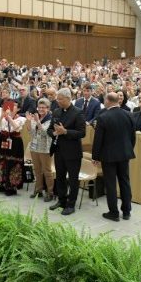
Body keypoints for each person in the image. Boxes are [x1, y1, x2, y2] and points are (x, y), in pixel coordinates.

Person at [92, 93, 136, 221]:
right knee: (125, 182)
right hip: (124, 154)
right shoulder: (129, 114)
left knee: (110, 184)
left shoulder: (103, 117)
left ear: (108, 101)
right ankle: (126, 211)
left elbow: (98, 139)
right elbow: (132, 136)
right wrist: (128, 149)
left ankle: (114, 212)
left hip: (108, 156)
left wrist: (95, 157)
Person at [47, 88, 86, 216]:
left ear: (68, 98)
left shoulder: (78, 112)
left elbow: (82, 133)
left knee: (73, 179)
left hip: (72, 152)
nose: (58, 101)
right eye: (57, 99)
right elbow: (49, 129)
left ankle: (71, 204)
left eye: (60, 99)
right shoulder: (57, 111)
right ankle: (61, 200)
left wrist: (65, 132)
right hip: (58, 150)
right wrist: (54, 133)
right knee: (60, 177)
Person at [25, 98, 55, 201]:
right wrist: (29, 120)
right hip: (34, 147)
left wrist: (38, 121)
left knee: (47, 171)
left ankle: (50, 193)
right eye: (39, 107)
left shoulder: (50, 119)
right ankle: (38, 190)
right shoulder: (35, 117)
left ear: (48, 108)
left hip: (45, 148)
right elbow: (31, 132)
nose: (41, 109)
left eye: (43, 107)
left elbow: (45, 133)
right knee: (37, 170)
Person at [0, 100, 26, 195]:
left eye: (15, 105)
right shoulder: (4, 117)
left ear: (19, 109)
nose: (12, 106)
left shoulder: (21, 118)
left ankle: (12, 186)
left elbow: (16, 127)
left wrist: (8, 117)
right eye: (11, 105)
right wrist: (2, 115)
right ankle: (2, 183)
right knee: (2, 160)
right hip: (3, 139)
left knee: (13, 162)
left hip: (15, 141)